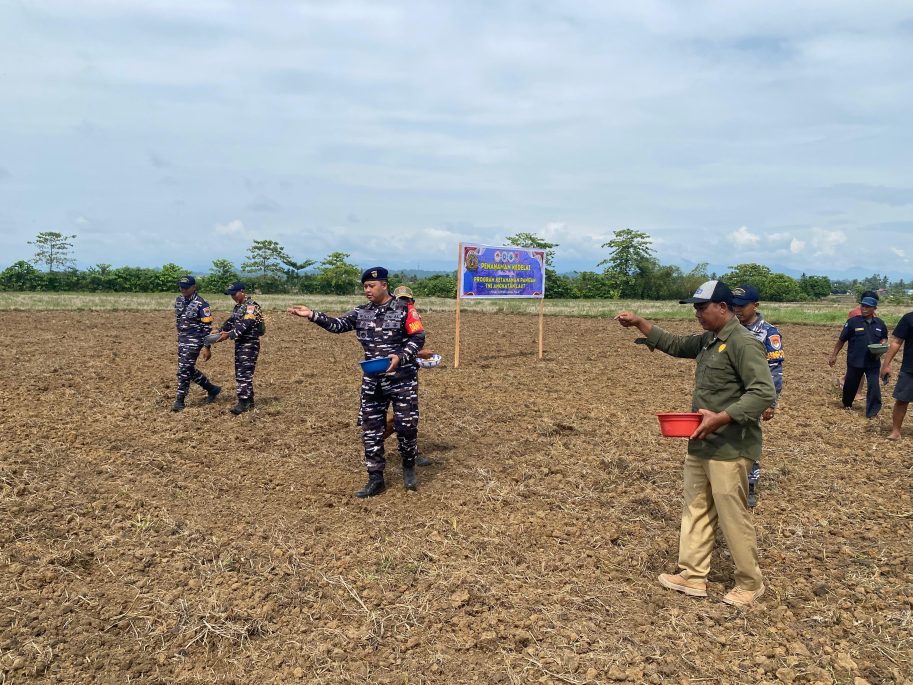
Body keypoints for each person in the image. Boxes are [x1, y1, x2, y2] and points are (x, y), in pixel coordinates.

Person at [616, 280, 776, 607]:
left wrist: (722, 417)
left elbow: (763, 393)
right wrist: (641, 323)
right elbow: (675, 345)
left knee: (733, 516)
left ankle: (750, 582)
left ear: (723, 307)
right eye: (695, 308)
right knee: (696, 508)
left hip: (730, 447)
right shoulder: (708, 340)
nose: (698, 314)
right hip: (701, 443)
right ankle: (692, 575)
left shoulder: (743, 343)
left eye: (702, 308)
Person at [287, 267, 425, 498]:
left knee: (406, 426)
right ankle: (375, 478)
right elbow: (337, 325)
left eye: (371, 286)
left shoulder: (405, 310)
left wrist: (400, 357)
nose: (367, 290)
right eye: (364, 287)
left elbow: (418, 338)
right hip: (373, 380)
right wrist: (312, 314)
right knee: (371, 429)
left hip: (402, 379)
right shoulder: (361, 312)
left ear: (384, 285)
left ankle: (409, 466)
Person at [731, 285, 783, 508]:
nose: (738, 310)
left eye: (742, 306)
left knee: (748, 438)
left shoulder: (768, 333)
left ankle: (750, 484)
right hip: (729, 394)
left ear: (756, 305)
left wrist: (770, 402)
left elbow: (775, 371)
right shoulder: (729, 328)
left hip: (753, 396)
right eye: (734, 306)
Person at [206, 282, 264, 415]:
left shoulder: (251, 307)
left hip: (249, 344)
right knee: (241, 373)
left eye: (234, 293)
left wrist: (229, 334)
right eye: (231, 294)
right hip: (240, 344)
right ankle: (248, 400)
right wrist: (219, 330)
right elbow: (231, 322)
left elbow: (246, 324)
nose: (232, 296)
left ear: (242, 291)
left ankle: (244, 402)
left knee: (244, 373)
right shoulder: (238, 307)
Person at [829, 295, 888, 418]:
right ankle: (847, 403)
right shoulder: (852, 322)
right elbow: (841, 340)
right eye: (863, 306)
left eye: (868, 307)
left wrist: (882, 344)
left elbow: (884, 337)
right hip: (855, 360)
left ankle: (872, 412)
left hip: (873, 361)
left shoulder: (880, 323)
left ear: (874, 308)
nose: (864, 308)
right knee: (851, 384)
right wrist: (834, 355)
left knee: (874, 386)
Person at [171, 275, 221, 412]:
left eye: (186, 287)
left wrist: (207, 347)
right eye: (181, 287)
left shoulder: (202, 304)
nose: (183, 290)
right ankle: (212, 389)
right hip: (182, 339)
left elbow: (207, 328)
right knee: (188, 369)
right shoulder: (179, 301)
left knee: (183, 370)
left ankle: (179, 401)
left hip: (195, 340)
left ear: (194, 287)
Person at [880, 308, 913, 440]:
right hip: (910, 368)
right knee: (902, 400)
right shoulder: (908, 318)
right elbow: (896, 342)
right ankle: (896, 432)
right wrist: (886, 364)